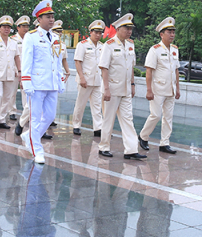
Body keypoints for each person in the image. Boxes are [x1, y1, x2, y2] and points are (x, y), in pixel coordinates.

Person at [20, 0, 65, 164]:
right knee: (35, 118)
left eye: (52, 16)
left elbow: (57, 60)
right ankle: (36, 150)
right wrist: (27, 83)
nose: (51, 20)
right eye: (48, 17)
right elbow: (27, 61)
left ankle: (30, 136)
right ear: (39, 19)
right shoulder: (31, 37)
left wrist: (60, 80)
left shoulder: (55, 37)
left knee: (50, 116)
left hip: (51, 83)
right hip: (37, 84)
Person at [98, 13, 145, 160]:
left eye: (131, 28)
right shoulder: (109, 45)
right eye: (126, 28)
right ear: (118, 29)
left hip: (125, 88)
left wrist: (132, 84)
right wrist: (106, 89)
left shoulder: (130, 45)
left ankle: (131, 149)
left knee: (127, 118)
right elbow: (104, 67)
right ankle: (104, 146)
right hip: (111, 88)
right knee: (108, 118)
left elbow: (130, 67)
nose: (129, 31)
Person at [139, 17, 180, 154]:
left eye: (173, 32)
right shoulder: (154, 50)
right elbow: (149, 70)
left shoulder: (175, 49)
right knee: (155, 115)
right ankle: (143, 136)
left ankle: (165, 143)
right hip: (158, 89)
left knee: (168, 117)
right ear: (162, 34)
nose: (172, 35)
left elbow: (176, 70)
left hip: (171, 89)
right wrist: (149, 90)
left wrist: (178, 88)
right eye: (169, 32)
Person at [71, 20, 105, 137]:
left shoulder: (102, 46)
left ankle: (98, 128)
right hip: (85, 80)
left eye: (100, 33)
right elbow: (77, 62)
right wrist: (81, 78)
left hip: (97, 80)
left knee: (97, 105)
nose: (98, 35)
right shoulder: (83, 44)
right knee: (80, 104)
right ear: (90, 32)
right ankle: (76, 125)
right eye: (95, 32)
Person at [0, 16, 21, 130]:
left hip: (10, 74)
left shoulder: (13, 43)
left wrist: (19, 71)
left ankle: (1, 119)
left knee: (7, 98)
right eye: (4, 27)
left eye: (8, 27)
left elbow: (17, 58)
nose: (6, 29)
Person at [12, 15, 31, 135]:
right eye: (23, 26)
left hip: (28, 72)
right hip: (14, 71)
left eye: (27, 26)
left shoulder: (31, 38)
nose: (25, 28)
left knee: (28, 100)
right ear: (18, 27)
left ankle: (25, 120)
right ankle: (12, 112)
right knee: (11, 94)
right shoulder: (13, 40)